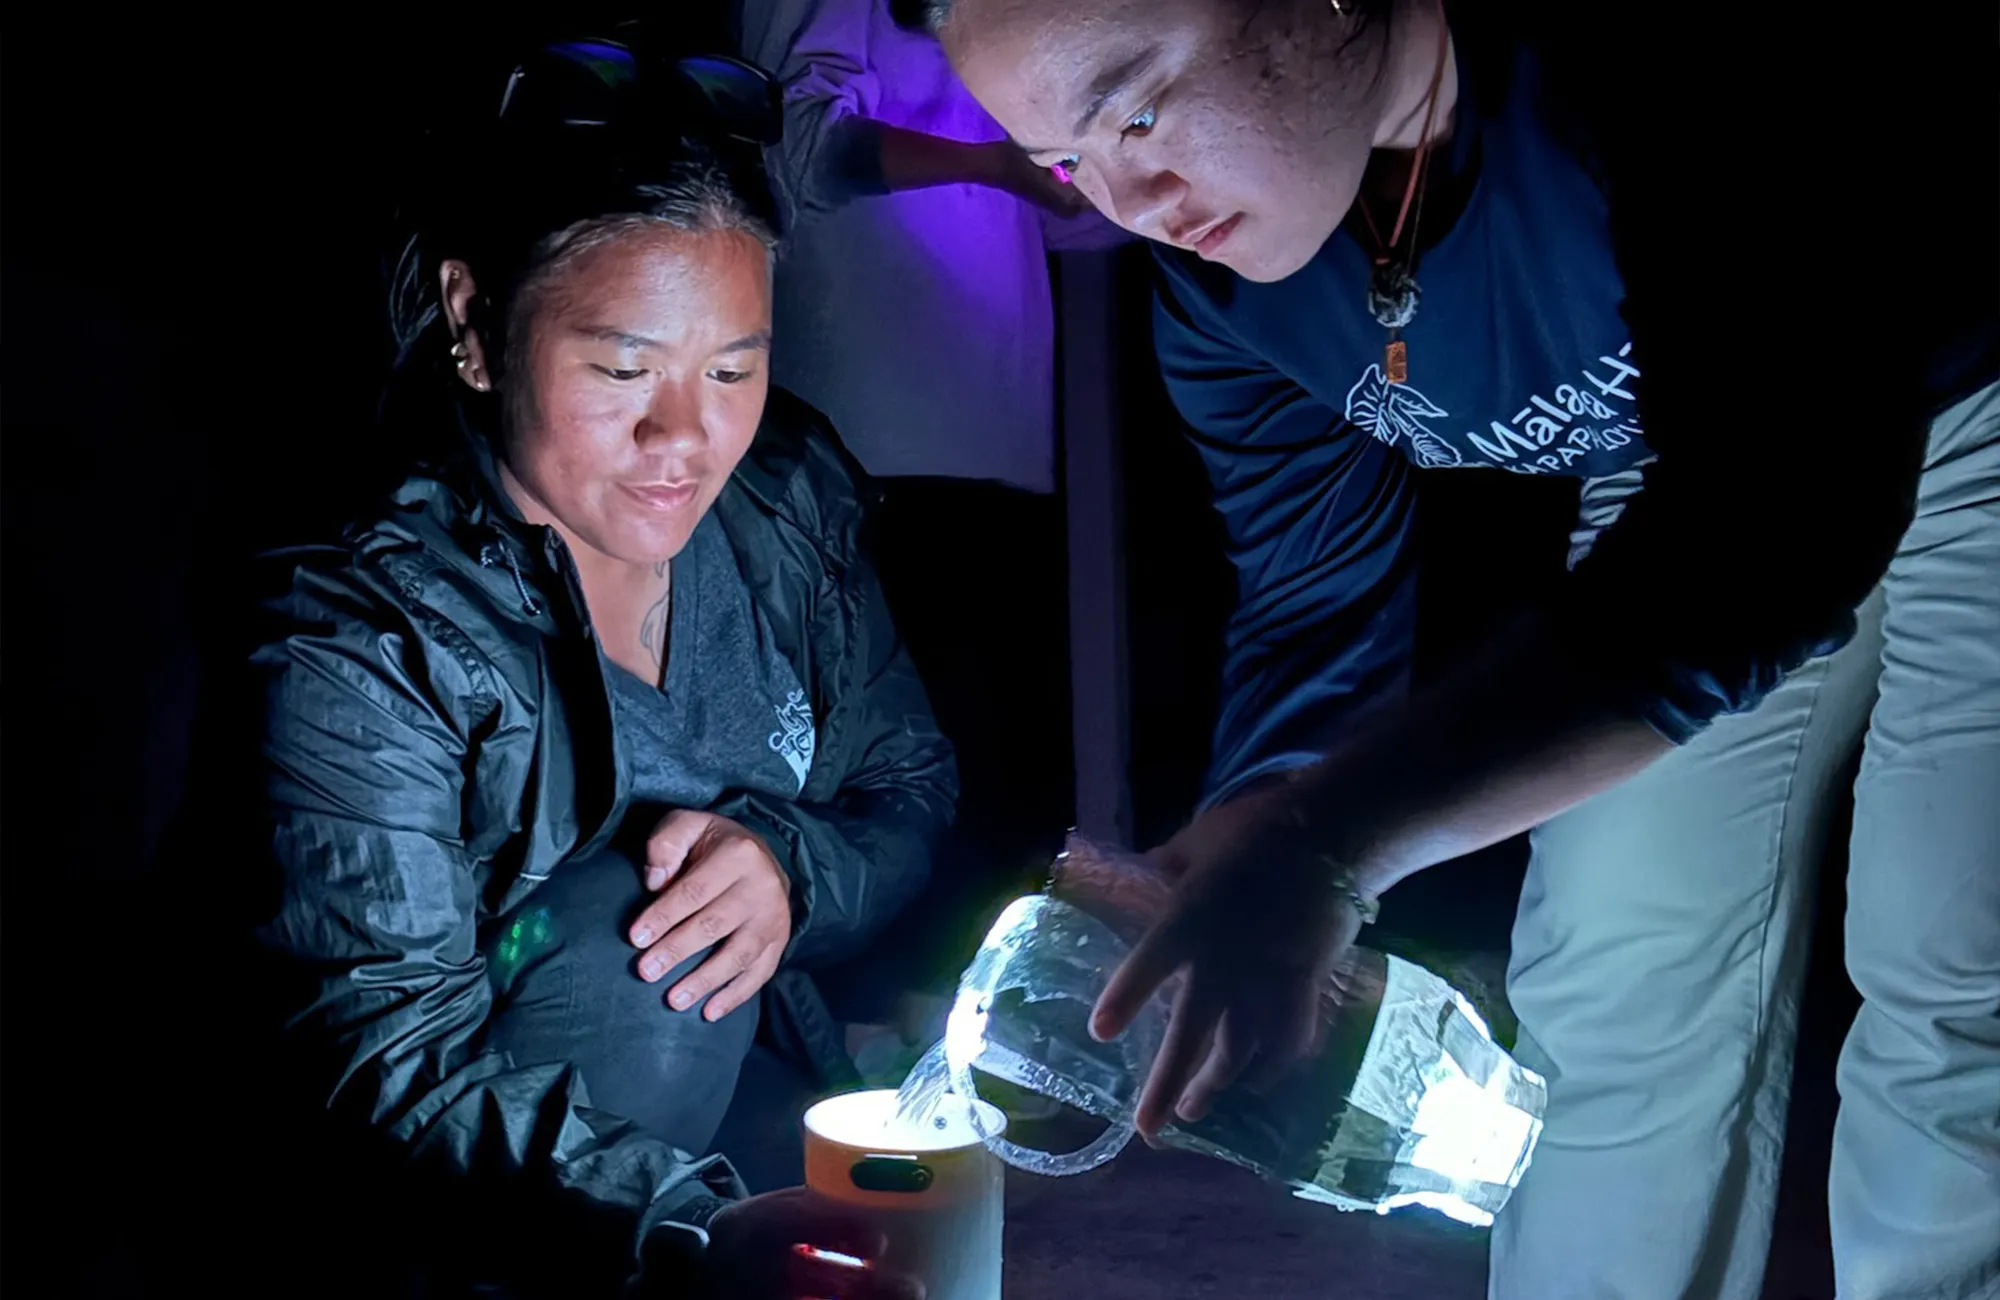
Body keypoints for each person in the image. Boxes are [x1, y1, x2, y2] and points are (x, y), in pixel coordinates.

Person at [919, 0, 2000, 1296]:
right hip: (1680, 476)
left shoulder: (1632, 77)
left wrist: (1327, 846)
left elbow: (1777, 526)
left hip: (1938, 390)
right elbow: (1315, 597)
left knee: (1954, 949)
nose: (1128, 195)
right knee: (1610, 970)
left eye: (1137, 109)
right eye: (1064, 162)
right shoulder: (1222, 297)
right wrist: (1238, 865)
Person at [250, 35, 947, 1300]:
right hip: (516, 1186)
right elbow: (386, 1052)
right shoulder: (371, 630)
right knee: (647, 943)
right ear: (476, 323)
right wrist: (682, 1229)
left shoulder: (785, 501)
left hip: (749, 1091)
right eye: (623, 370)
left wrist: (789, 867)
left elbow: (907, 785)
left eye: (732, 368)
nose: (685, 436)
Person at [731, 0, 1127, 1015]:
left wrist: (1076, 179)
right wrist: (992, 164)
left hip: (999, 435)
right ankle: (872, 1017)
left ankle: (988, 1016)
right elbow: (802, 150)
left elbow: (1065, 217)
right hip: (866, 433)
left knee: (999, 748)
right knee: (887, 755)